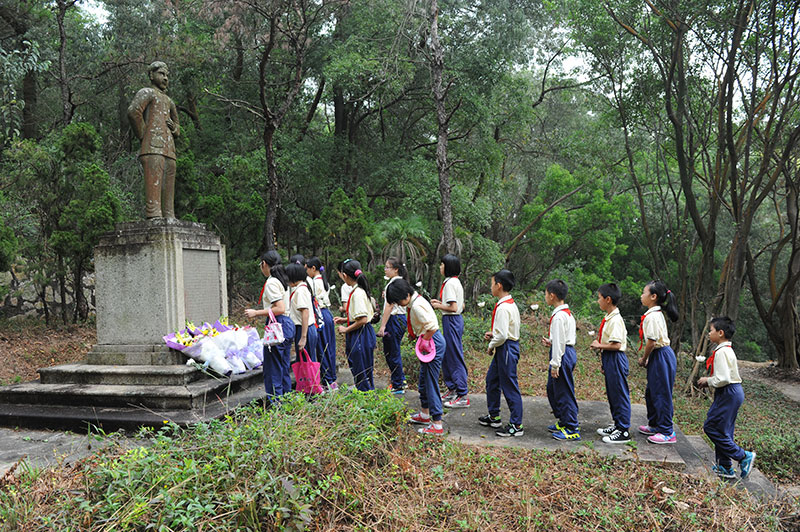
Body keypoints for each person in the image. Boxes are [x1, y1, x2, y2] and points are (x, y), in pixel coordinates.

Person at [698, 317, 756, 479]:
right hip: (732, 392)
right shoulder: (726, 350)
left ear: (720, 333)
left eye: (711, 330)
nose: (709, 333)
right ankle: (725, 466)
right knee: (723, 430)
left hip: (728, 392)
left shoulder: (722, 352)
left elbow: (722, 378)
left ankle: (743, 456)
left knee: (711, 427)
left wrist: (707, 380)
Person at [387, 278, 446, 435]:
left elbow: (432, 327)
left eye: (398, 301)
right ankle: (425, 414)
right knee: (423, 379)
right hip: (427, 339)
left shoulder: (417, 306)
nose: (399, 304)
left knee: (430, 382)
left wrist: (424, 341)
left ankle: (437, 423)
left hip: (433, 342)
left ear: (406, 295)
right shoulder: (415, 302)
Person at [127, 61, 180, 219]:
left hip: (169, 148)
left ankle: (170, 215)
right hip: (152, 146)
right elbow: (133, 111)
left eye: (167, 75)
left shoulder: (170, 102)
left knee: (169, 184)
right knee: (154, 182)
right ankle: (154, 215)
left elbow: (178, 128)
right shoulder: (147, 92)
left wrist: (174, 128)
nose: (165, 78)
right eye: (161, 74)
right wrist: (143, 133)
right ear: (151, 75)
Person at [478, 269, 524, 437]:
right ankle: (494, 415)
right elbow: (504, 331)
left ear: (498, 285)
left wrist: (491, 344)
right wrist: (495, 335)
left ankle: (516, 425)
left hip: (506, 349)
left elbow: (504, 335)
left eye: (492, 284)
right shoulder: (509, 303)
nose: (490, 287)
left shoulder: (504, 308)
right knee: (492, 380)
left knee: (509, 386)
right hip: (505, 346)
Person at [244, 251, 294, 399]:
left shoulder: (272, 282)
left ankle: (276, 404)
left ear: (264, 264)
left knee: (273, 368)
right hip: (287, 324)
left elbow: (280, 308)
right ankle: (286, 400)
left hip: (278, 325)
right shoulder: (282, 279)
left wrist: (256, 312)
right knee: (283, 366)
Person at [637, 280, 679, 444]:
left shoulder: (653, 316)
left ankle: (667, 431)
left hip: (661, 355)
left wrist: (644, 358)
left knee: (662, 393)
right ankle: (655, 424)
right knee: (652, 391)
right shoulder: (653, 314)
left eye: (644, 292)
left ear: (653, 296)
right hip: (658, 355)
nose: (641, 296)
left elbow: (652, 342)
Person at [590, 283, 631, 443]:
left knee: (620, 394)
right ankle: (617, 424)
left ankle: (624, 430)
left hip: (615, 358)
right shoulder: (610, 318)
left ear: (608, 299)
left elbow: (617, 345)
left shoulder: (615, 320)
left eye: (599, 298)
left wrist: (599, 345)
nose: (598, 301)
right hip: (609, 358)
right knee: (613, 393)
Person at [542, 279, 580, 441]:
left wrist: (555, 364)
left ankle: (571, 427)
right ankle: (564, 420)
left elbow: (560, 343)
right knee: (553, 388)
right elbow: (562, 338)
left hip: (562, 355)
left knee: (564, 391)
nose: (545, 297)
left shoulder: (559, 317)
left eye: (545, 294)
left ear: (552, 296)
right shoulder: (566, 313)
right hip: (566, 351)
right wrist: (551, 342)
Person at [431, 254, 469, 408]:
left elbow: (453, 307)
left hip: (452, 320)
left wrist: (438, 306)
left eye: (442, 265)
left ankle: (462, 394)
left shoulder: (449, 284)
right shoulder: (454, 282)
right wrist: (440, 303)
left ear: (448, 267)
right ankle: (452, 388)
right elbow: (461, 305)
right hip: (452, 320)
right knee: (448, 354)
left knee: (454, 355)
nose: (440, 267)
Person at [333, 260, 377, 391]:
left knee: (361, 367)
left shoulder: (357, 293)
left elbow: (363, 319)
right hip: (362, 331)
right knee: (361, 365)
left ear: (345, 275)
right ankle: (363, 390)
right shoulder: (358, 290)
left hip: (361, 333)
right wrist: (345, 319)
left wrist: (346, 329)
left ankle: (365, 393)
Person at [376, 257, 408, 395]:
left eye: (388, 267)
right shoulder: (399, 282)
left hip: (394, 319)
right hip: (400, 319)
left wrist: (382, 326)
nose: (385, 269)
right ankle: (400, 379)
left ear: (396, 269)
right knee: (393, 351)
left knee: (392, 352)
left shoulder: (393, 284)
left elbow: (389, 306)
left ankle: (398, 384)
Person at [306, 257, 337, 391]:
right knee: (328, 348)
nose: (306, 271)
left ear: (313, 269)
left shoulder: (314, 283)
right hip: (326, 314)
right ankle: (331, 379)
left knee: (322, 349)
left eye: (307, 268)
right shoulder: (323, 281)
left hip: (320, 315)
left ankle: (327, 381)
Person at [286, 263, 318, 364]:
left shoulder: (300, 291)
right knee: (305, 361)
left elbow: (305, 312)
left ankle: (310, 380)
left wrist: (303, 337)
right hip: (305, 329)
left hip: (304, 329)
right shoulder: (302, 288)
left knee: (306, 363)